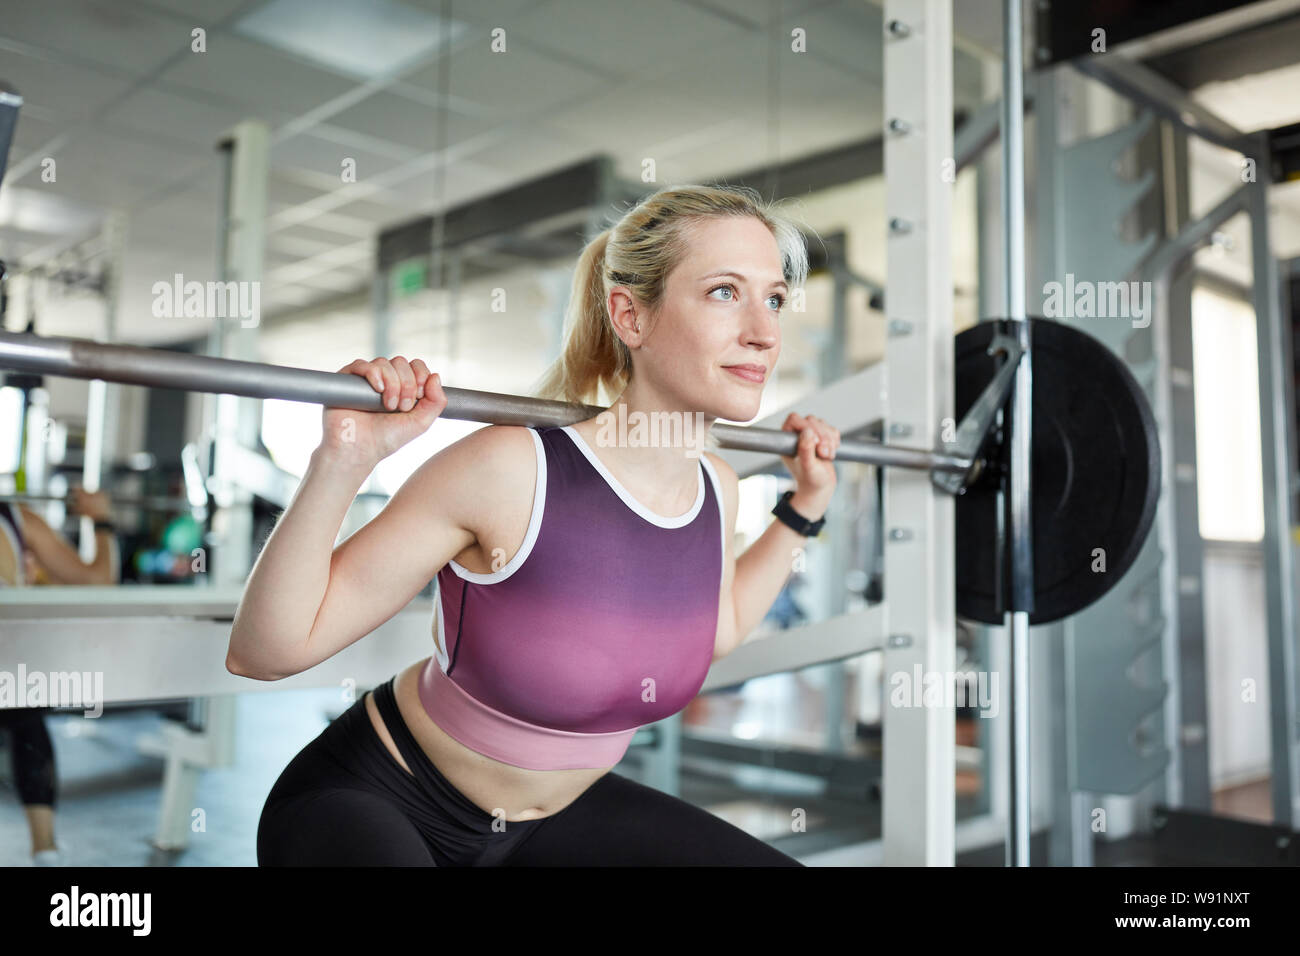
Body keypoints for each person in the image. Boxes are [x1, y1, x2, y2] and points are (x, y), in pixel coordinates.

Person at [237, 183, 842, 866]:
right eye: (725, 292)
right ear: (630, 315)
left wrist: (804, 506)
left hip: (543, 826)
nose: (764, 333)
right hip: (377, 800)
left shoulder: (716, 488)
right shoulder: (511, 468)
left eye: (775, 299)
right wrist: (342, 460)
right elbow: (266, 652)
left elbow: (716, 628)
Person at [0, 487, 119, 866]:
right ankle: (45, 849)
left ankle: (45, 850)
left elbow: (98, 586)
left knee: (25, 708)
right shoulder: (17, 519)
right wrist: (100, 519)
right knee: (26, 714)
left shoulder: (18, 519)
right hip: (15, 667)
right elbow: (100, 581)